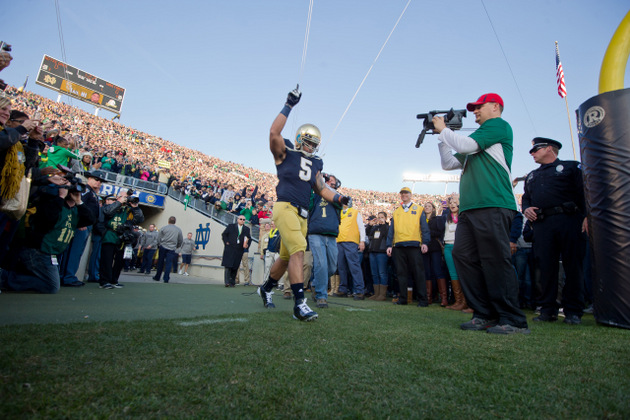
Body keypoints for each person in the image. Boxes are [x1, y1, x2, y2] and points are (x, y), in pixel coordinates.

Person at [434, 92, 529, 334]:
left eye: (479, 106)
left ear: (495, 107)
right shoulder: (478, 136)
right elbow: (448, 164)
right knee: (463, 256)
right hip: (471, 208)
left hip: (493, 203)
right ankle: (484, 313)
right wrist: (442, 137)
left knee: (495, 261)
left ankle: (512, 318)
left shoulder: (498, 126)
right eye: (474, 108)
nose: (475, 111)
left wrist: (445, 129)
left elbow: (466, 145)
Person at [257, 86, 350, 321]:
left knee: (287, 257)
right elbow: (273, 132)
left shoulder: (316, 162)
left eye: (313, 143)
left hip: (303, 215)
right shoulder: (285, 152)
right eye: (307, 142)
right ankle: (300, 304)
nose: (311, 146)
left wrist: (340, 198)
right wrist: (288, 104)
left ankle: (266, 288)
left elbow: (321, 188)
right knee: (299, 249)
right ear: (299, 139)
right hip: (285, 206)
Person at [522, 137, 587, 325]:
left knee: (573, 266)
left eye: (536, 149)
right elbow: (527, 198)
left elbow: (585, 193)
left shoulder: (571, 167)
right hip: (543, 224)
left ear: (549, 149)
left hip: (569, 220)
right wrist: (526, 208)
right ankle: (547, 310)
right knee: (546, 268)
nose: (532, 153)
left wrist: (586, 217)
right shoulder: (532, 175)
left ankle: (573, 311)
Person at [0, 180, 95, 293]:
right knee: (52, 286)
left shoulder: (75, 210)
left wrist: (79, 202)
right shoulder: (53, 203)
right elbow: (48, 220)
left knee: (50, 284)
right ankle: (4, 277)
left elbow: (90, 219)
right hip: (37, 250)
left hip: (49, 253)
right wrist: (61, 197)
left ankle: (9, 278)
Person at [386, 187, 430, 306]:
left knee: (418, 273)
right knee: (401, 274)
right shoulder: (396, 211)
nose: (404, 195)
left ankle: (423, 300)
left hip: (414, 244)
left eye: (406, 193)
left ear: (411, 195)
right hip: (399, 245)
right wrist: (389, 244)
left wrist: (425, 242)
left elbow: (424, 228)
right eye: (402, 193)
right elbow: (392, 229)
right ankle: (403, 299)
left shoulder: (419, 209)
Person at [58, 171, 103, 287]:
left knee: (77, 252)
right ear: (89, 179)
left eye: (100, 181)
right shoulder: (86, 190)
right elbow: (77, 203)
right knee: (74, 251)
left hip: (87, 224)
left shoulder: (92, 192)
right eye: (96, 179)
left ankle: (69, 275)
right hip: (81, 225)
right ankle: (67, 276)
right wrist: (80, 221)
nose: (98, 183)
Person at [307, 173, 342, 308]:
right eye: (328, 180)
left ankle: (315, 284)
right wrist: (316, 185)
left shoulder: (337, 197)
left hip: (331, 234)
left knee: (332, 267)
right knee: (321, 264)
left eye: (332, 181)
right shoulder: (314, 193)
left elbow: (341, 206)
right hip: (316, 232)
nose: (330, 181)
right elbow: (309, 205)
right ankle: (321, 295)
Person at [99, 189, 144, 289]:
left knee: (119, 261)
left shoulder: (129, 209)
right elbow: (107, 212)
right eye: (124, 197)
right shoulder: (112, 206)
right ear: (118, 197)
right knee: (107, 259)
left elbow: (139, 219)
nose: (126, 199)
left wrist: (135, 207)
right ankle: (104, 281)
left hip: (124, 238)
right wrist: (119, 202)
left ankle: (114, 280)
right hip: (110, 235)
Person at [335, 201, 367, 300]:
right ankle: (343, 289)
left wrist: (362, 240)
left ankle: (359, 290)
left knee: (354, 266)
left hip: (351, 241)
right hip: (339, 241)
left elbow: (361, 227)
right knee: (341, 267)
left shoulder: (355, 212)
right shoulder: (338, 212)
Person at [221, 215, 251, 287]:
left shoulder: (246, 229)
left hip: (239, 249)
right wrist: (226, 243)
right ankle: (227, 282)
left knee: (235, 266)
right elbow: (224, 234)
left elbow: (249, 238)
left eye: (244, 220)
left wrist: (247, 245)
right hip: (230, 248)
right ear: (237, 219)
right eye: (241, 219)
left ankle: (232, 282)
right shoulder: (230, 226)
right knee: (228, 265)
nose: (242, 220)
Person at [152, 216, 183, 283]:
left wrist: (159, 244)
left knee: (160, 262)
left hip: (163, 246)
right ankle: (166, 278)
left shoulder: (163, 228)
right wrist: (177, 246)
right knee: (169, 263)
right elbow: (180, 240)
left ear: (168, 221)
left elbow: (158, 238)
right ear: (175, 222)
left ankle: (157, 277)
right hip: (172, 248)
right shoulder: (178, 230)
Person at [367, 211, 389, 301]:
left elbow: (387, 235)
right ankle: (376, 293)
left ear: (385, 218)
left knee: (382, 273)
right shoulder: (375, 227)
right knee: (374, 273)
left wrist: (384, 224)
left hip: (382, 252)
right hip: (373, 252)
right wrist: (370, 225)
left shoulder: (387, 227)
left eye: (382, 217)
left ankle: (382, 294)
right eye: (378, 217)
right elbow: (367, 233)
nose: (380, 219)